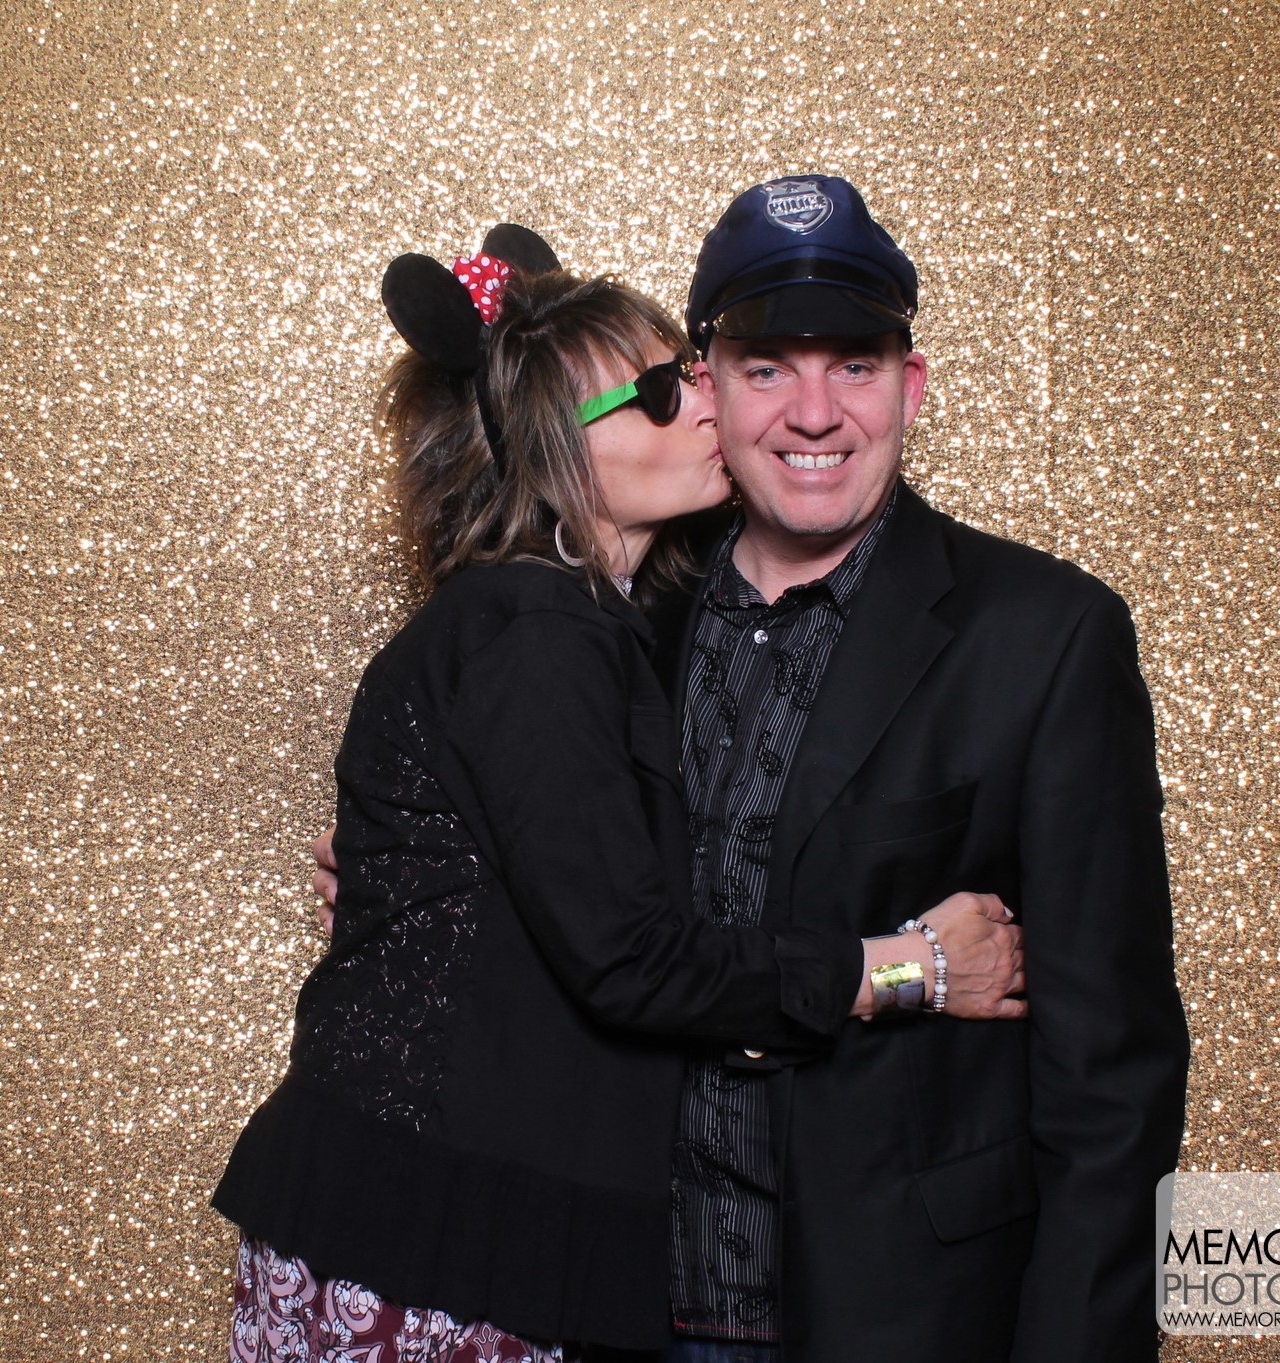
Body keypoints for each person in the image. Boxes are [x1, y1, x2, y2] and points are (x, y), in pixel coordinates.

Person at [215, 227, 1025, 1362]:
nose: (705, 405)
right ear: (555, 450)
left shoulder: (601, 629)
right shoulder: (531, 633)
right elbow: (628, 954)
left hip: (486, 1239)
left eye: (688, 373)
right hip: (426, 1251)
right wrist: (912, 968)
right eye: (656, 395)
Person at [644, 174, 1192, 1362]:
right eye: (765, 368)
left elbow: (1111, 1077)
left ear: (911, 386)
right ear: (705, 391)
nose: (813, 413)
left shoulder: (1043, 636)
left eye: (853, 364)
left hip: (905, 1319)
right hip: (619, 1306)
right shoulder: (622, 622)